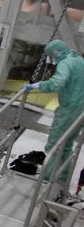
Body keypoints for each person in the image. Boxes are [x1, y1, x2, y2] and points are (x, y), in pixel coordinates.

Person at [27, 39, 84, 185]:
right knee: (67, 144)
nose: (51, 59)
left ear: (56, 52)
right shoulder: (79, 60)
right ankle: (62, 179)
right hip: (80, 110)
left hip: (69, 109)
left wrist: (38, 85)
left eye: (51, 55)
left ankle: (49, 179)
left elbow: (58, 82)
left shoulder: (65, 64)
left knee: (55, 145)